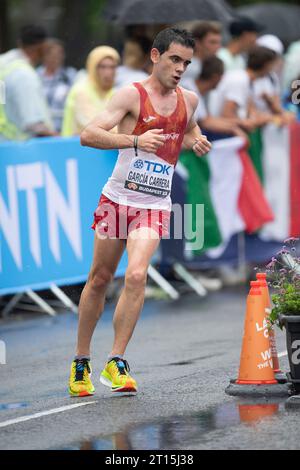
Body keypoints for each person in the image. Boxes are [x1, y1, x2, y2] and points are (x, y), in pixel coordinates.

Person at [68, 27, 211, 397]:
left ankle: (116, 361)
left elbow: (189, 129)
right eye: (174, 59)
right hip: (117, 201)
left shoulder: (190, 100)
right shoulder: (131, 95)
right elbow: (88, 134)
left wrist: (197, 141)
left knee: (135, 275)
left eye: (186, 63)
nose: (180, 68)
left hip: (154, 206)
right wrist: (134, 139)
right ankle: (81, 360)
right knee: (100, 278)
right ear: (155, 56)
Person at [0, 25, 54, 141]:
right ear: (43, 46)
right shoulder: (24, 76)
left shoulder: (4, 66)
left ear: (19, 43)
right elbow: (34, 124)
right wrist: (60, 140)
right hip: (17, 149)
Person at [210, 46, 278, 132]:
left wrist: (263, 118)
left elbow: (250, 110)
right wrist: (248, 122)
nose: (273, 68)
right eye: (272, 64)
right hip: (220, 134)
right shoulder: (240, 80)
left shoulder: (245, 79)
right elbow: (227, 115)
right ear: (266, 65)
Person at [62, 46, 120, 136]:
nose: (108, 72)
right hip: (76, 147)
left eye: (112, 67)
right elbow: (91, 127)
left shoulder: (115, 93)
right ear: (92, 67)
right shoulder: (80, 90)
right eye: (103, 67)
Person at [183, 56, 245, 138]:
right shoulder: (188, 89)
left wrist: (235, 125)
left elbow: (207, 118)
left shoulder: (204, 92)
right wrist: (234, 128)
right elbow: (205, 122)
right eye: (222, 76)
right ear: (215, 77)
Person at [37, 39, 77, 133]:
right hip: (40, 132)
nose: (57, 58)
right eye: (52, 54)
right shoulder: (35, 76)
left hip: (63, 130)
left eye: (60, 54)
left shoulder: (70, 75)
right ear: (44, 56)